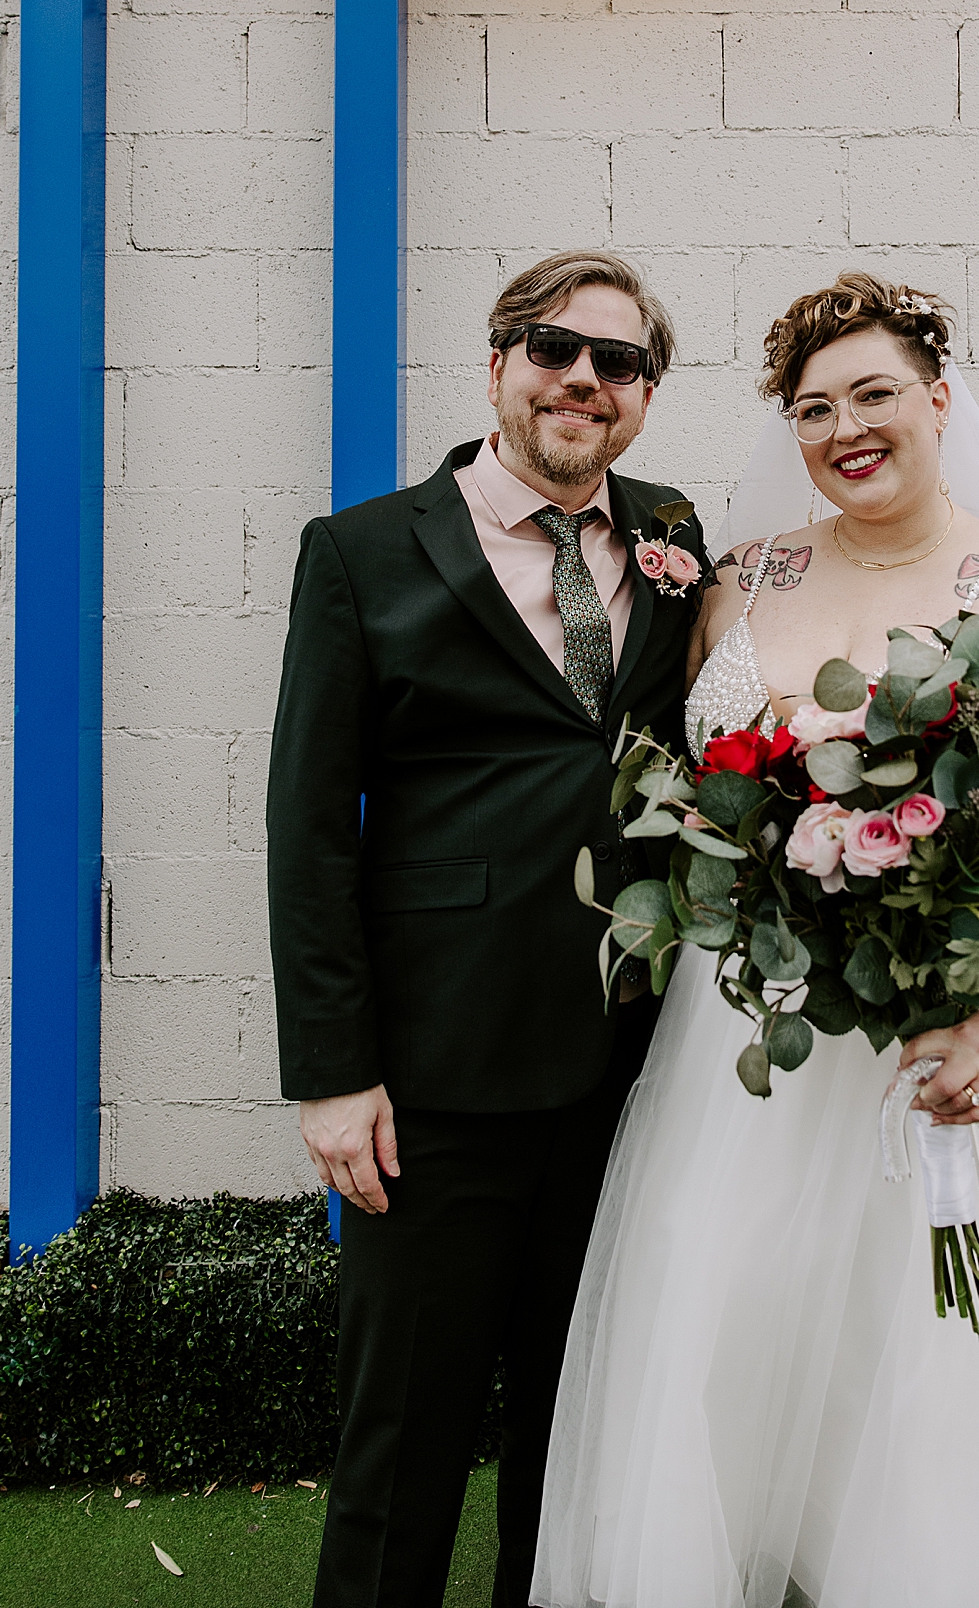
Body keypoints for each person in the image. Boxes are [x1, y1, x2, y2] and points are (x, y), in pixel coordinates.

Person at [533, 273, 979, 1608]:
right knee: (737, 1328)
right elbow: (707, 788)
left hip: (974, 1020)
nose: (846, 426)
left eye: (875, 393)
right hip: (764, 1032)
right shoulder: (743, 576)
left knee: (948, 1358)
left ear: (940, 398)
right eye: (814, 406)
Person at [266, 250, 710, 1608]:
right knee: (405, 1431)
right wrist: (335, 1069)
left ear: (644, 394)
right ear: (501, 360)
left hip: (630, 1064)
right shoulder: (361, 550)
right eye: (555, 348)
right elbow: (307, 824)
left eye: (619, 362)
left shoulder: (675, 537)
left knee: (578, 1436)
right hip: (436, 1073)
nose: (586, 378)